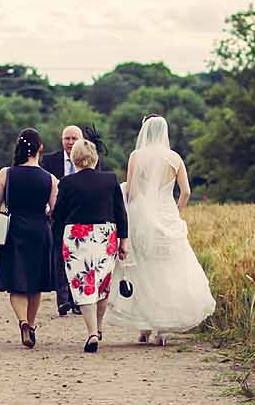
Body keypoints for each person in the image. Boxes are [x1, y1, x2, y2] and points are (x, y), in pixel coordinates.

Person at [113, 115, 214, 344]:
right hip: (167, 217)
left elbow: (132, 190)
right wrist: (175, 212)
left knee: (144, 270)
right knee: (168, 271)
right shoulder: (174, 158)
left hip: (142, 219)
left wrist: (142, 213)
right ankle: (162, 330)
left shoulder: (136, 156)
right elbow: (186, 191)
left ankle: (145, 327)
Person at [52, 138, 129, 354]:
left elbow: (58, 215)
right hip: (106, 236)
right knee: (102, 285)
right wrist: (123, 241)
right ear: (95, 157)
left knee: (84, 285)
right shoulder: (110, 180)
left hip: (77, 236)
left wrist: (55, 233)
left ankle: (92, 333)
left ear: (74, 159)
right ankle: (99, 326)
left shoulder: (66, 183)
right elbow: (120, 213)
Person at [0, 128, 58, 349]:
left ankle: (23, 323)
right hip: (40, 230)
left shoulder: (5, 174)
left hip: (15, 230)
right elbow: (55, 209)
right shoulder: (50, 178)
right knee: (35, 283)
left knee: (16, 283)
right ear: (40, 148)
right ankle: (32, 323)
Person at [39, 125, 85, 316]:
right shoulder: (50, 160)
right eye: (67, 138)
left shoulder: (90, 158)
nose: (70, 142)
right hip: (57, 216)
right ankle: (63, 300)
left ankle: (77, 301)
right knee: (59, 257)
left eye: (74, 138)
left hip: (82, 217)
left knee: (80, 258)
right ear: (61, 140)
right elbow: (42, 185)